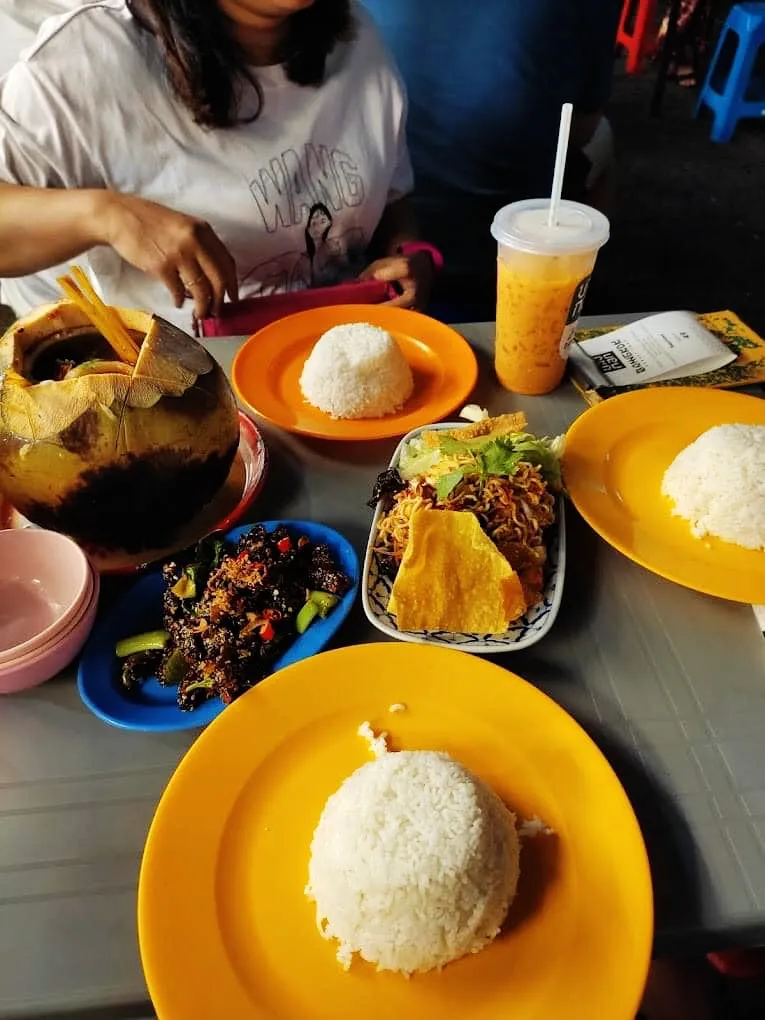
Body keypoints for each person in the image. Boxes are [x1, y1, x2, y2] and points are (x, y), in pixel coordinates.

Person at [0, 0, 436, 329]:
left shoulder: (356, 37)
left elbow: (391, 199)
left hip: (345, 354)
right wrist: (107, 215)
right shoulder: (79, 64)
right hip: (174, 391)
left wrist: (407, 256)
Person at [361, 0, 622, 320]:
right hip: (489, 260)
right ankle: (561, 305)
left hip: (367, 251)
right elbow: (583, 126)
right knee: (603, 142)